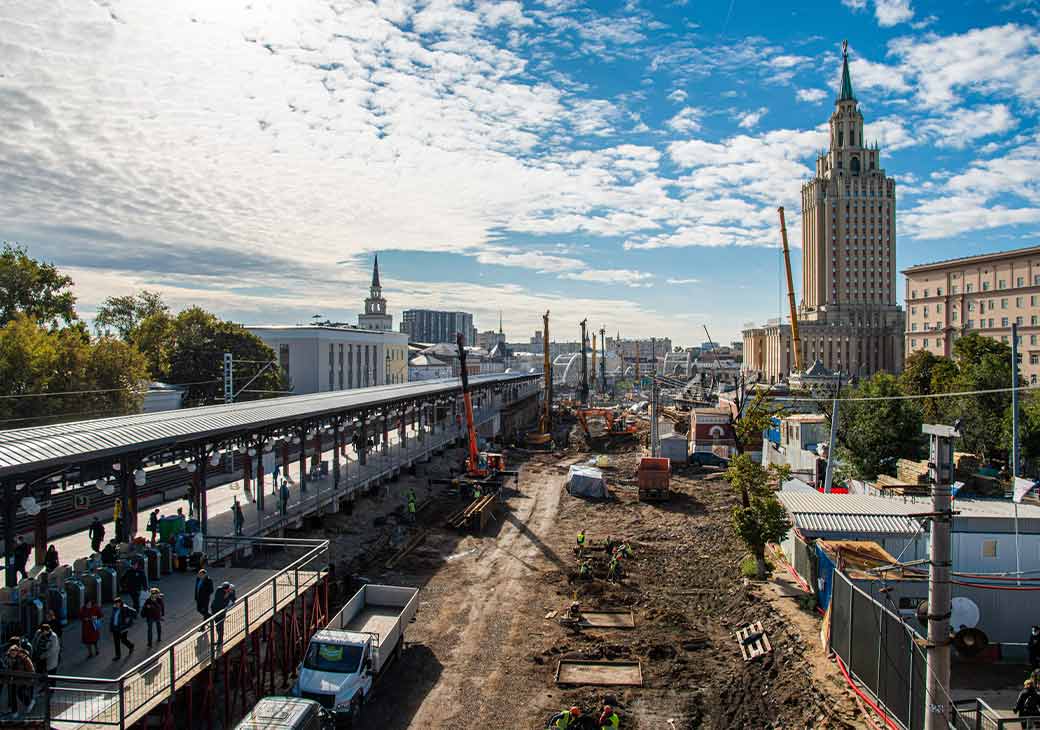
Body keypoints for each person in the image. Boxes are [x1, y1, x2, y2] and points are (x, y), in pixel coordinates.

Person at [4, 639, 35, 716]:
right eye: (11, 653)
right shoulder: (8, 658)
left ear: (17, 652)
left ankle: (29, 703)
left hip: (23, 679)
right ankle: (15, 711)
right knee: (12, 694)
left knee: (20, 693)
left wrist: (30, 679)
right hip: (13, 680)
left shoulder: (24, 658)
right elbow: (7, 668)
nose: (12, 655)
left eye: (14, 653)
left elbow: (31, 669)